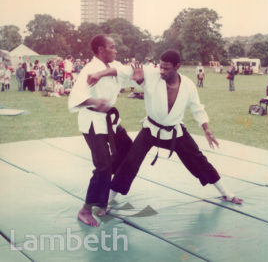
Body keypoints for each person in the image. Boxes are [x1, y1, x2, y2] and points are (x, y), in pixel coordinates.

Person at [88, 50, 243, 206]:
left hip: (175, 131)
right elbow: (123, 71)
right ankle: (107, 200)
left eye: (166, 68)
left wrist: (206, 129)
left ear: (177, 66)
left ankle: (227, 194)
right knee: (130, 163)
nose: (162, 71)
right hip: (150, 130)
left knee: (199, 161)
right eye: (161, 67)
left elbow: (197, 108)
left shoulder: (188, 85)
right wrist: (100, 74)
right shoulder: (151, 74)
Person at [68, 34, 133, 227]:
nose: (115, 50)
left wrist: (105, 74)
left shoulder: (110, 66)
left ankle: (105, 193)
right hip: (93, 122)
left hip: (111, 122)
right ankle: (86, 210)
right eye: (112, 47)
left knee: (127, 149)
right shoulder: (89, 69)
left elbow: (127, 70)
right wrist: (94, 101)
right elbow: (76, 96)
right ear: (101, 50)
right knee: (103, 166)